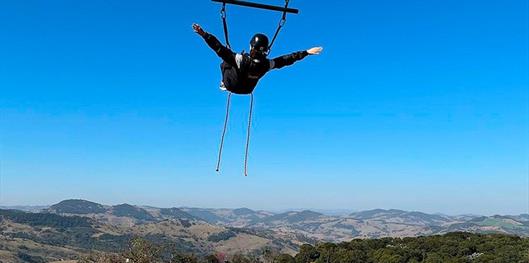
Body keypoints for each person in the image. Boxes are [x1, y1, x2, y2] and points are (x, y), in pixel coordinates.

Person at [192, 23, 322, 94]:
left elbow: (219, 48)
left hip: (232, 85)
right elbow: (285, 60)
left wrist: (204, 34)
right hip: (247, 90)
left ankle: (223, 84)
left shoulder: (240, 60)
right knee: (228, 57)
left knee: (226, 60)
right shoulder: (266, 64)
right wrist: (306, 52)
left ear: (251, 47)